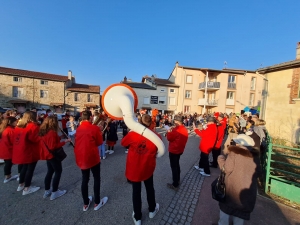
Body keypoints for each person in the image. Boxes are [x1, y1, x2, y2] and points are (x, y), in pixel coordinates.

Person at [121, 114, 160, 225]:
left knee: (136, 192)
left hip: (135, 168)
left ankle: (137, 218)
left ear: (140, 122)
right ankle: (152, 210)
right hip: (147, 167)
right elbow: (159, 146)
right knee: (149, 188)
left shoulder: (133, 134)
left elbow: (123, 143)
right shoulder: (154, 135)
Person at [217, 134, 261, 225]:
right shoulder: (255, 156)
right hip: (248, 188)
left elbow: (227, 169)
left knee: (226, 210)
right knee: (240, 215)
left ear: (239, 143)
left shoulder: (234, 153)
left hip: (233, 187)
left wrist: (220, 159)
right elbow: (259, 173)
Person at [74, 112, 108, 211]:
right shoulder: (94, 128)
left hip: (81, 158)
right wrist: (99, 133)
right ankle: (97, 202)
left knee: (85, 179)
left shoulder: (79, 128)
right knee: (96, 178)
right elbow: (99, 142)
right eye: (92, 117)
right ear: (90, 117)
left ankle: (85, 203)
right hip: (92, 157)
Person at [39, 116, 71, 200]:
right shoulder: (52, 132)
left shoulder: (44, 131)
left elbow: (50, 141)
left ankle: (47, 190)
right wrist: (65, 141)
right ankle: (55, 191)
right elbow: (53, 146)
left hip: (47, 154)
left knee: (50, 171)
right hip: (53, 155)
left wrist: (60, 137)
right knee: (58, 171)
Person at [12, 111, 41, 195]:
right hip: (30, 150)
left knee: (24, 168)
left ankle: (21, 184)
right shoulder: (33, 126)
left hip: (21, 150)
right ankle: (27, 188)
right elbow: (35, 139)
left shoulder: (19, 126)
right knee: (30, 169)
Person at [166, 115, 188, 190]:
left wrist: (169, 131)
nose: (174, 122)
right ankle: (177, 179)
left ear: (178, 122)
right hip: (180, 150)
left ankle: (175, 184)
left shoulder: (177, 129)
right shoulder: (184, 128)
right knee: (177, 164)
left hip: (174, 150)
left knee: (174, 166)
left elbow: (169, 138)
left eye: (175, 121)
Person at [0, 116, 19, 183]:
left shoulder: (3, 128)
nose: (16, 123)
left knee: (7, 163)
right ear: (11, 122)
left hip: (4, 149)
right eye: (15, 121)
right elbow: (14, 141)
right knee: (8, 163)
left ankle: (8, 176)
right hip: (9, 149)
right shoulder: (11, 130)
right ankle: (7, 176)